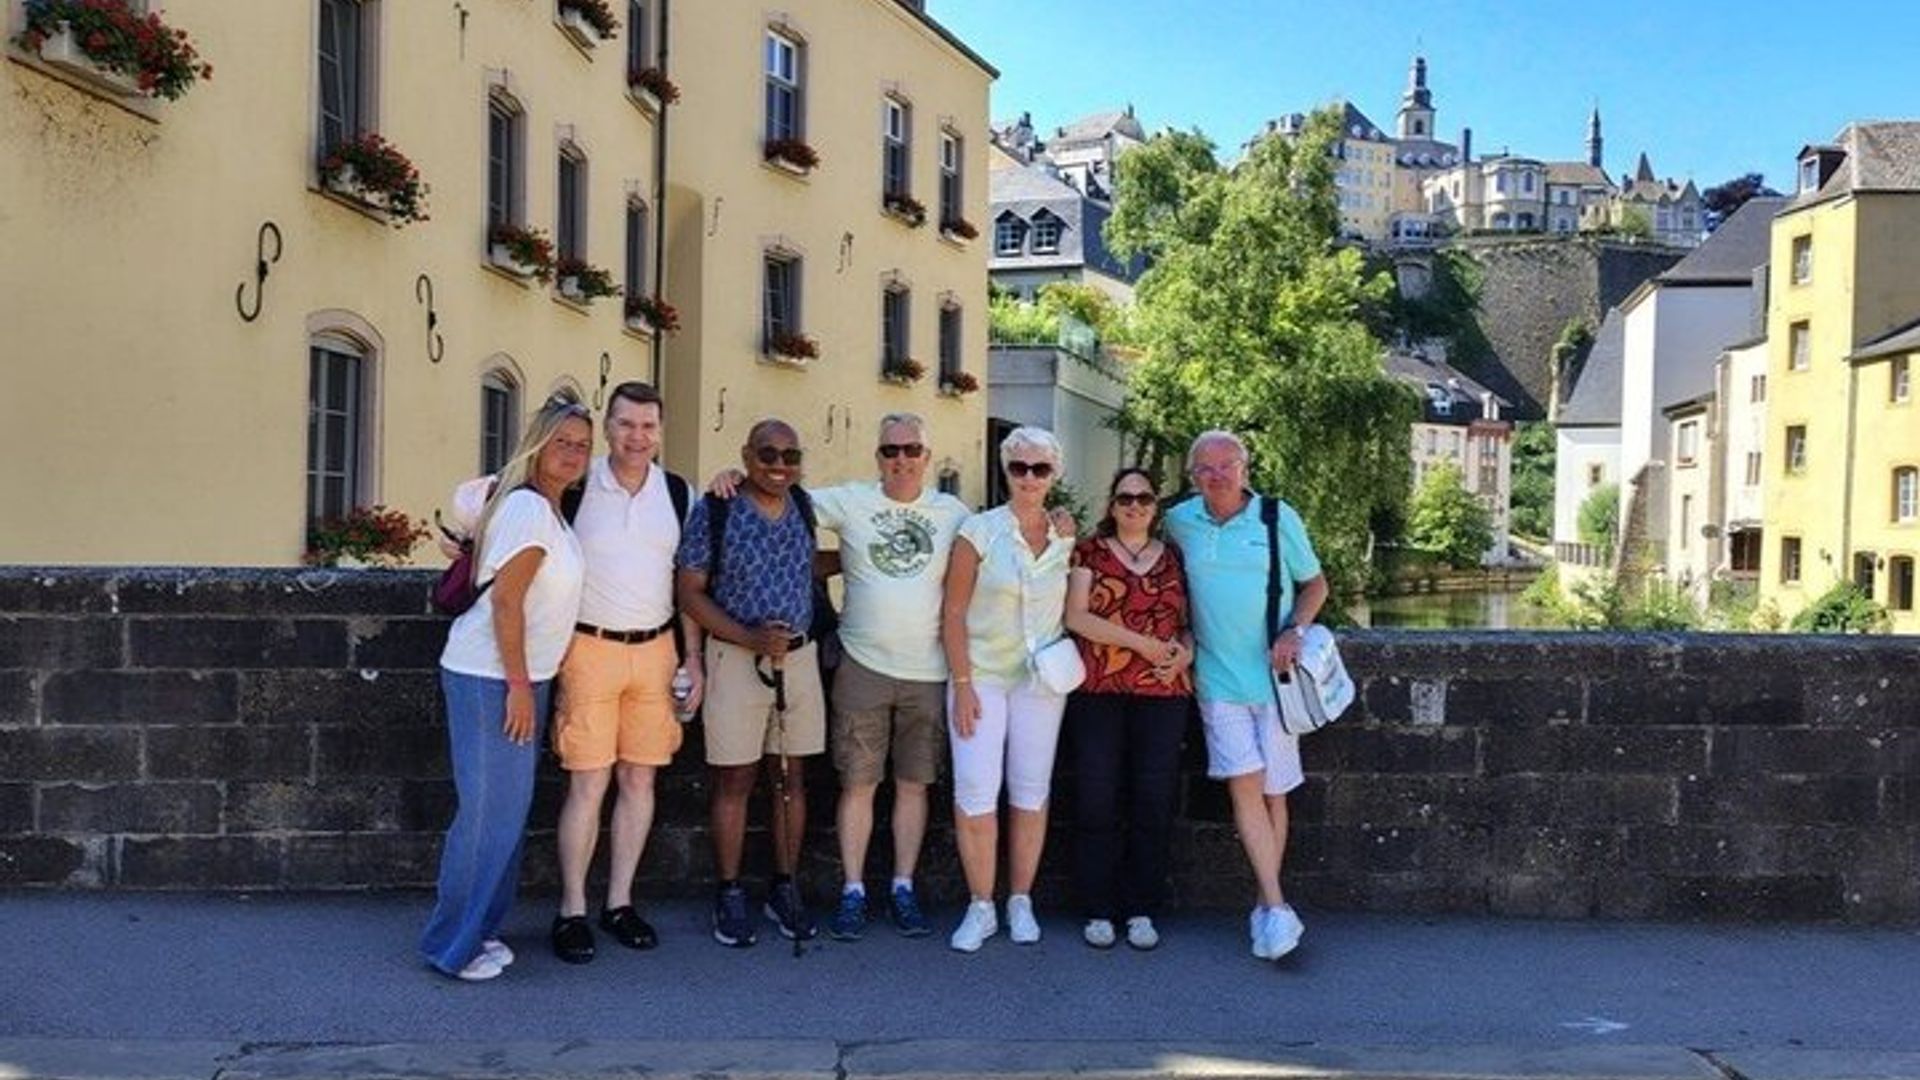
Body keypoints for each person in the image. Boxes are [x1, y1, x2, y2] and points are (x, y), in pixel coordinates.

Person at [419, 395, 593, 981]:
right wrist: (519, 686)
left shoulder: (552, 510)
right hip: (490, 677)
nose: (572, 453)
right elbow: (508, 603)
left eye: (582, 445)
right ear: (539, 445)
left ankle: (481, 930)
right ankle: (451, 944)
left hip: (521, 678)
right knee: (486, 815)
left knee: (507, 813)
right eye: (562, 442)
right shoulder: (526, 510)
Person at [1161, 430, 1328, 962]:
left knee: (1275, 794)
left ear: (1245, 468)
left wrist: (1294, 630)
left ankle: (1265, 908)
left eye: (1226, 466)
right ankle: (1277, 908)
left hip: (1276, 681)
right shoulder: (1179, 522)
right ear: (1192, 477)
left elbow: (1316, 584)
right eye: (1205, 469)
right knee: (1245, 789)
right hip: (1216, 681)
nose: (1217, 477)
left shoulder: (1278, 517)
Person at [547, 381, 700, 964]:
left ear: (660, 432)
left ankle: (619, 902)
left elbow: (688, 586)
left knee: (641, 781)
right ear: (607, 428)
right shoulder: (576, 488)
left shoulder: (680, 494)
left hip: (656, 651)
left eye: (648, 427)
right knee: (588, 783)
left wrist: (692, 659)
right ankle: (571, 910)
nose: (637, 437)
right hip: (589, 649)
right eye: (626, 425)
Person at [675, 419, 826, 947]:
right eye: (767, 454)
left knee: (791, 778)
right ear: (746, 454)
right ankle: (729, 890)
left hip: (799, 659)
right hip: (737, 658)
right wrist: (747, 636)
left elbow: (813, 562)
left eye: (790, 454)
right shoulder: (716, 507)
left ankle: (784, 887)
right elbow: (689, 591)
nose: (779, 464)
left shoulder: (804, 504)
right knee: (734, 781)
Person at [940, 426, 1076, 952]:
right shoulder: (979, 531)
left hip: (1040, 682)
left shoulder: (1066, 535)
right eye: (1019, 467)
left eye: (1040, 469)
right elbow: (952, 612)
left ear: (1054, 475)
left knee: (1030, 792)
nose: (1029, 478)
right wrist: (964, 683)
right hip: (982, 677)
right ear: (1005, 470)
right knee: (975, 792)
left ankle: (1020, 898)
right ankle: (981, 905)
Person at [1062, 468, 1194, 951]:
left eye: (1143, 498)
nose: (1134, 506)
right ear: (1112, 505)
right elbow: (1076, 616)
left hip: (1162, 695)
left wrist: (1184, 653)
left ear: (1155, 507)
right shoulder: (1090, 553)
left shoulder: (1173, 558)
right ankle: (1097, 908)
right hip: (1099, 691)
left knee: (1152, 804)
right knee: (1096, 800)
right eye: (1124, 498)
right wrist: (1144, 645)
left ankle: (1142, 909)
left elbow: (1187, 624)